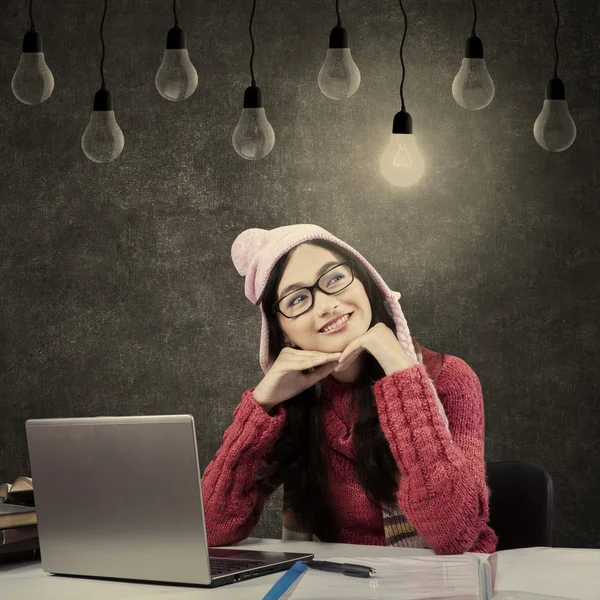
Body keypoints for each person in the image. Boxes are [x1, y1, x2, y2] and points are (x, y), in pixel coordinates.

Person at [201, 224, 498, 555]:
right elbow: (212, 528)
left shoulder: (448, 379)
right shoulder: (293, 406)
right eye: (298, 299)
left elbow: (455, 534)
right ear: (281, 332)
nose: (327, 305)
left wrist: (401, 372)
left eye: (334, 279)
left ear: (365, 281)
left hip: (444, 583)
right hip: (336, 582)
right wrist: (261, 403)